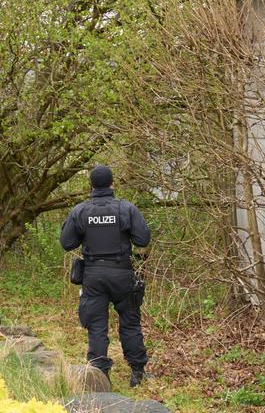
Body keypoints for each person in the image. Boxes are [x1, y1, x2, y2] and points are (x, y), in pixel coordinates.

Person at [60, 165, 151, 387]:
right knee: (130, 322)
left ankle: (100, 376)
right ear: (112, 184)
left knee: (97, 325)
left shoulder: (81, 211)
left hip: (93, 275)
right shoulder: (126, 209)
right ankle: (137, 372)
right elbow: (143, 239)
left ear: (91, 186)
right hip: (121, 273)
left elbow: (67, 242)